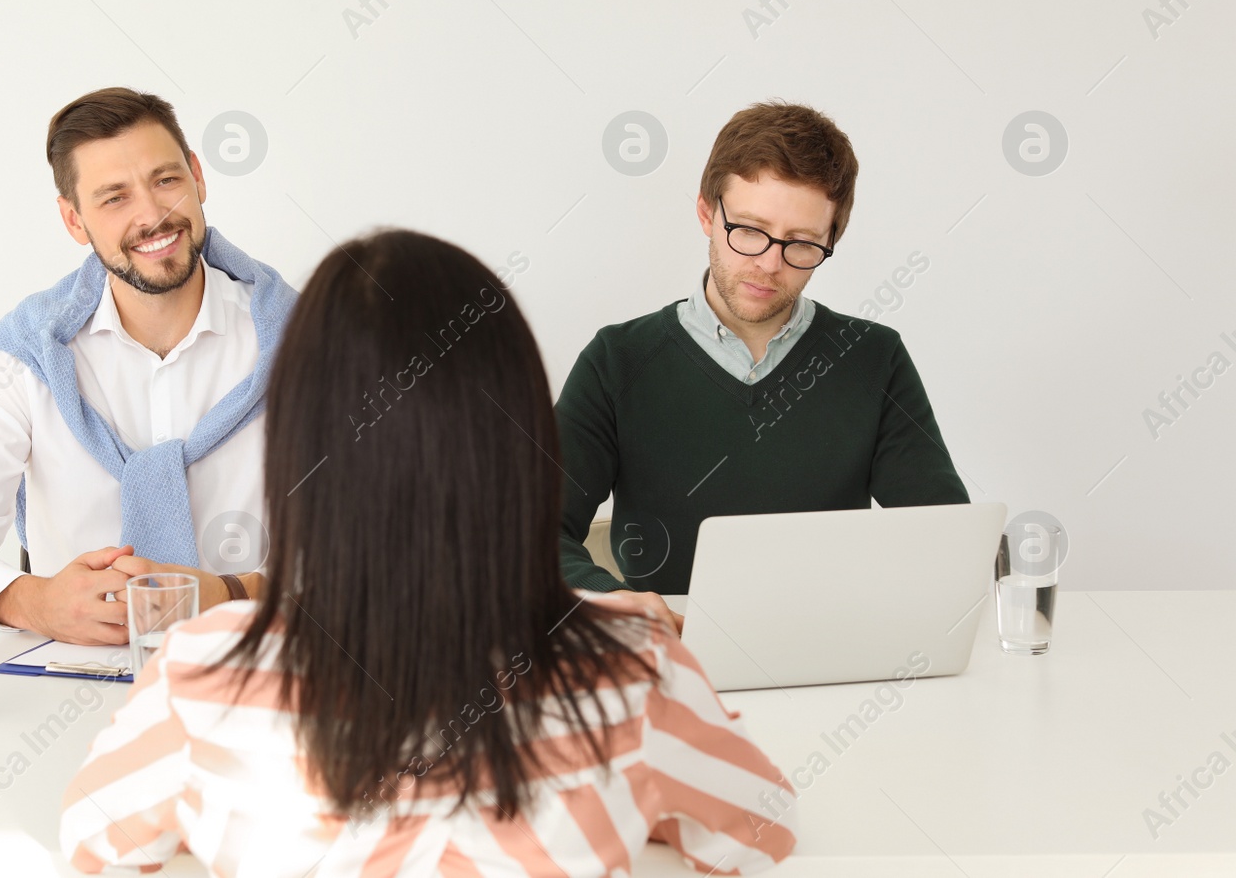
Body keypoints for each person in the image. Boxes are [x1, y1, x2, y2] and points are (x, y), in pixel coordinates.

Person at [59, 229, 798, 875]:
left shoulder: (198, 676)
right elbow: (762, 833)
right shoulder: (634, 672)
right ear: (524, 443)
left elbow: (93, 845)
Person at [0, 87, 295, 644]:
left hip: (257, 673)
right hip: (62, 686)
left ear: (198, 178)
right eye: (114, 198)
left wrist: (233, 595)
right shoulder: (25, 357)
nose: (153, 215)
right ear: (74, 220)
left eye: (166, 180)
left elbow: (375, 555)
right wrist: (36, 603)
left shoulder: (304, 344)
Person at [558, 101, 970, 632]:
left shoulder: (874, 358)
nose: (769, 263)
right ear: (707, 213)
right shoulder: (616, 362)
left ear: (831, 240)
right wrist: (607, 598)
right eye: (749, 230)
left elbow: (945, 540)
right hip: (669, 655)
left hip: (833, 649)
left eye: (801, 243)